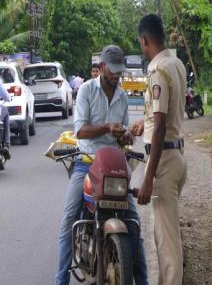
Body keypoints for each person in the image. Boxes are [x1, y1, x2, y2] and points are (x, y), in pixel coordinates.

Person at [56, 45, 148, 285]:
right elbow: (80, 130)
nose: (116, 76)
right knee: (68, 220)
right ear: (103, 66)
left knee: (134, 224)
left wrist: (126, 136)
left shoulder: (123, 96)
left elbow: (123, 133)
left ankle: (144, 281)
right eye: (113, 70)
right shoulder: (86, 90)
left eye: (120, 71)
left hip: (115, 165)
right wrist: (107, 127)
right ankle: (60, 281)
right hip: (87, 163)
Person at [131, 14, 187, 285]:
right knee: (164, 237)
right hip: (176, 156)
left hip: (163, 159)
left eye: (140, 43)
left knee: (167, 246)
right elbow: (164, 113)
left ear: (145, 39)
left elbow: (162, 126)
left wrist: (149, 177)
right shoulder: (175, 64)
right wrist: (146, 121)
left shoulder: (157, 71)